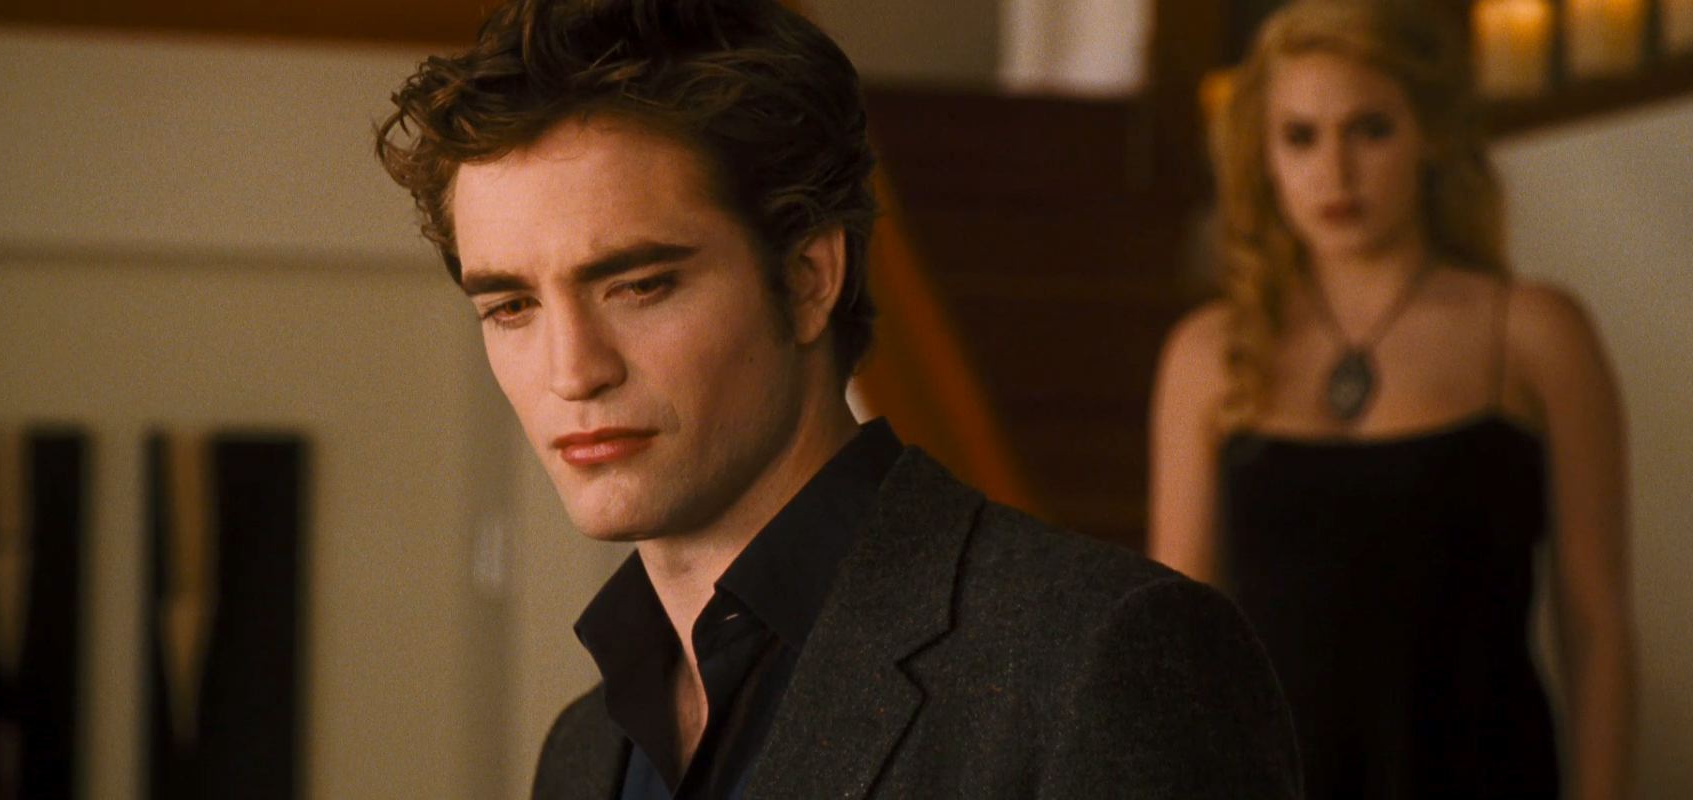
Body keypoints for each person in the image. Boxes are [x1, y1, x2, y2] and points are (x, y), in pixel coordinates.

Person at [376, 1, 1299, 797]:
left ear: (810, 277)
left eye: (640, 285)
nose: (572, 371)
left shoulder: (1097, 657)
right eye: (511, 307)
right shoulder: (585, 748)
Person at [1148, 1, 1636, 797]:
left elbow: (1597, 623)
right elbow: (1179, 639)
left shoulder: (1534, 333)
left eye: (1369, 129)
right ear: (1263, 157)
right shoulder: (1210, 354)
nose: (1335, 171)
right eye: (1300, 136)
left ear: (1430, 136)